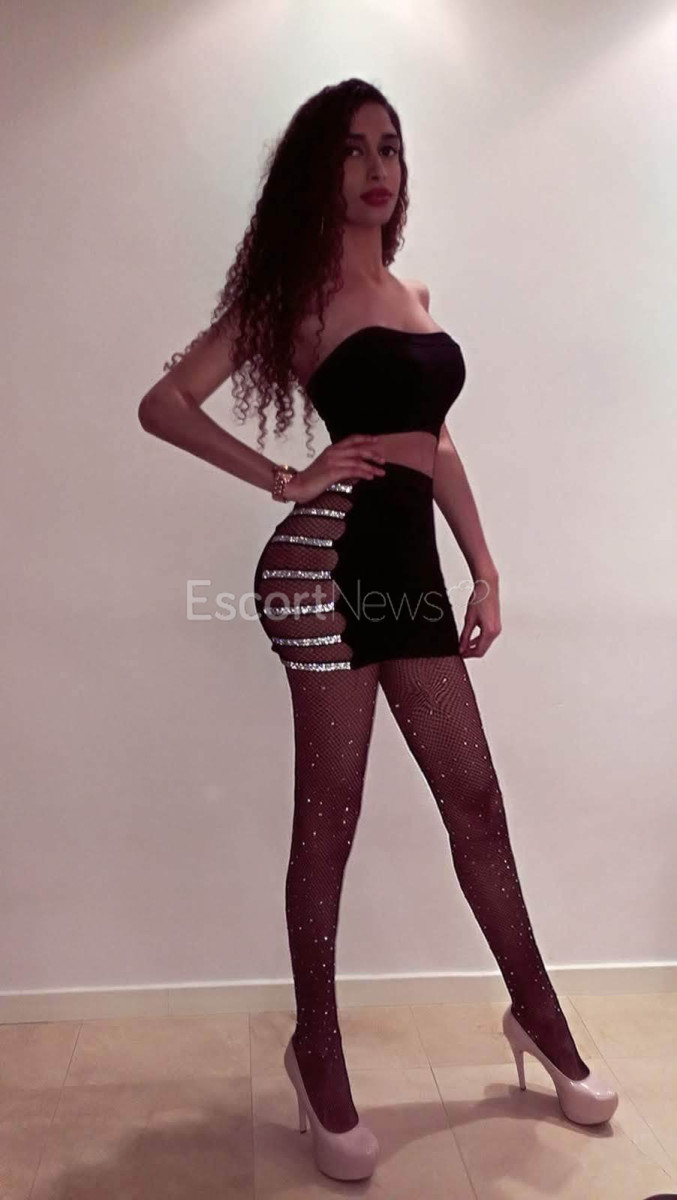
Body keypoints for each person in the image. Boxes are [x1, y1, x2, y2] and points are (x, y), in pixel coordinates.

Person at [138, 77, 617, 1182]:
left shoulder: (412, 293)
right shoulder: (294, 297)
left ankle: (537, 1017)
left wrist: (483, 568)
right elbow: (165, 403)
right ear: (321, 170)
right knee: (330, 815)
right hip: (322, 565)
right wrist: (283, 476)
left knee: (475, 802)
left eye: (389, 147)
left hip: (408, 567)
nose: (375, 167)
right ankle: (318, 1051)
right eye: (353, 149)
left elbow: (433, 443)